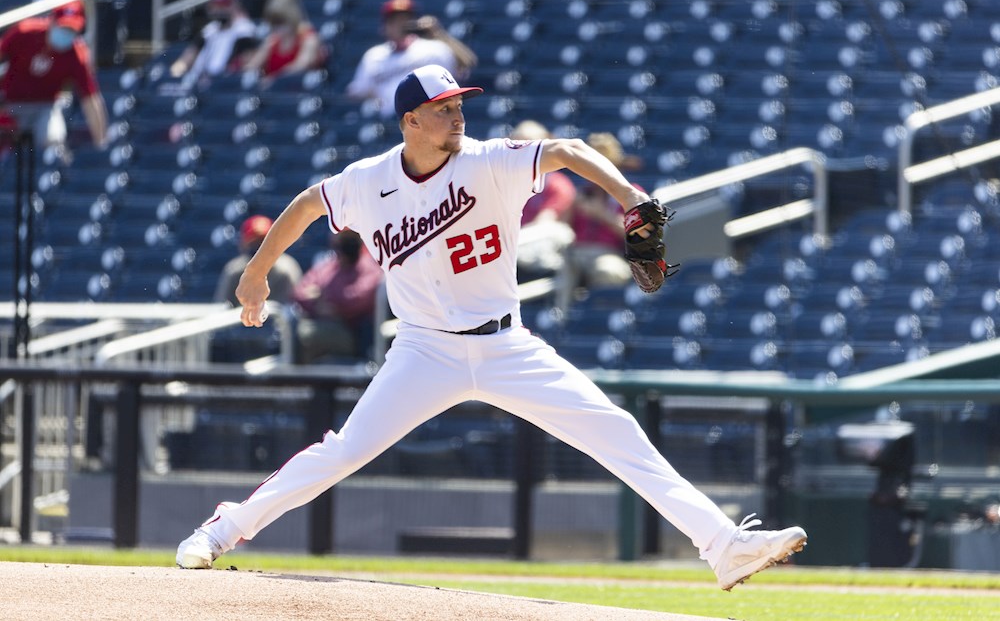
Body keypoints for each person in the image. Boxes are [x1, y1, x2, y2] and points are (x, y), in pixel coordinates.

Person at [176, 64, 807, 591]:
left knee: (615, 430)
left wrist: (628, 195)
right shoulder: (368, 181)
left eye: (458, 104)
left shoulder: (489, 162)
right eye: (443, 107)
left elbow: (565, 151)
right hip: (422, 351)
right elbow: (307, 205)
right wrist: (257, 273)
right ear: (410, 121)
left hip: (506, 345)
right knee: (342, 452)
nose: (457, 115)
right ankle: (222, 529)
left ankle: (722, 545)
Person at [0, 0, 107, 153]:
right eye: (62, 27)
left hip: (46, 107)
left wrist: (101, 142)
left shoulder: (77, 54)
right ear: (51, 21)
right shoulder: (25, 32)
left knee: (54, 140)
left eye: (71, 30)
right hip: (10, 104)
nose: (66, 33)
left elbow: (90, 98)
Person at [346, 0, 477, 119]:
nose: (401, 24)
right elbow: (357, 91)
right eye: (395, 20)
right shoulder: (374, 55)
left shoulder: (434, 48)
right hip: (385, 121)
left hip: (426, 118)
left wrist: (439, 34)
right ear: (384, 26)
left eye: (406, 18)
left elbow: (466, 65)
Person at [563, 132, 648, 296]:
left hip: (612, 254)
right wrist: (572, 206)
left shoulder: (632, 193)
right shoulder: (583, 194)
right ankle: (560, 318)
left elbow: (640, 237)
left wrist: (601, 214)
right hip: (579, 252)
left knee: (606, 270)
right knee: (563, 266)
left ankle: (597, 318)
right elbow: (564, 229)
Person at [291, 229, 383, 363]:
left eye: (349, 240)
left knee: (305, 335)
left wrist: (323, 296)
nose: (343, 249)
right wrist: (318, 306)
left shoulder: (370, 266)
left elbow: (356, 299)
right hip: (322, 321)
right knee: (291, 331)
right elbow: (299, 293)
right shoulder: (328, 266)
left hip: (352, 330)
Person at [510, 120, 577, 282]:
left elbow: (544, 222)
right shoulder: (507, 181)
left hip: (542, 246)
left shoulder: (557, 184)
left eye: (530, 145)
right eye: (519, 145)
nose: (524, 151)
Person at [169, 0, 257, 90]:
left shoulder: (244, 30)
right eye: (216, 4)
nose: (219, 9)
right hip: (197, 81)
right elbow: (187, 58)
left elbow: (247, 62)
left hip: (223, 84)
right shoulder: (209, 30)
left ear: (234, 5)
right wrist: (175, 73)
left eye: (225, 4)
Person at [214, 215, 302, 306]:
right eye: (253, 242)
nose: (259, 247)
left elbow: (293, 308)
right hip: (241, 319)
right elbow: (222, 306)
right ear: (243, 244)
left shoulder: (285, 270)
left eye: (263, 242)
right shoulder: (234, 270)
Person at [242, 0, 325, 87]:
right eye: (274, 24)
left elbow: (301, 66)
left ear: (292, 19)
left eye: (281, 23)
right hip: (275, 94)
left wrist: (274, 79)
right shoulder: (272, 41)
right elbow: (253, 65)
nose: (278, 28)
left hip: (301, 91)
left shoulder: (309, 38)